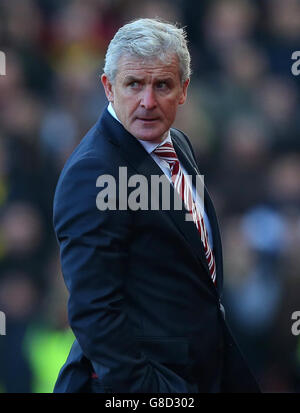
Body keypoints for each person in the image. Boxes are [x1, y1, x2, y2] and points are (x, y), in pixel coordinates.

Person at [53, 18, 260, 393]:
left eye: (161, 85)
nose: (148, 102)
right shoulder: (93, 173)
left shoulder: (176, 141)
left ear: (184, 90)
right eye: (134, 84)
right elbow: (95, 312)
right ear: (108, 87)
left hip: (202, 370)